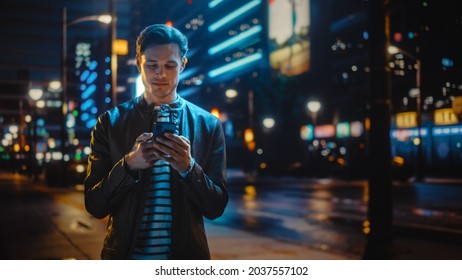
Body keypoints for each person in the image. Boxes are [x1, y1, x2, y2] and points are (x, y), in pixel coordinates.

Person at [84, 23, 228, 260]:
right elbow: (95, 205)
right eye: (152, 65)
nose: (160, 74)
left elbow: (216, 207)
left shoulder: (208, 125)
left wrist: (188, 168)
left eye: (170, 65)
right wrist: (128, 165)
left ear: (182, 64)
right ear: (139, 63)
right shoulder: (109, 123)